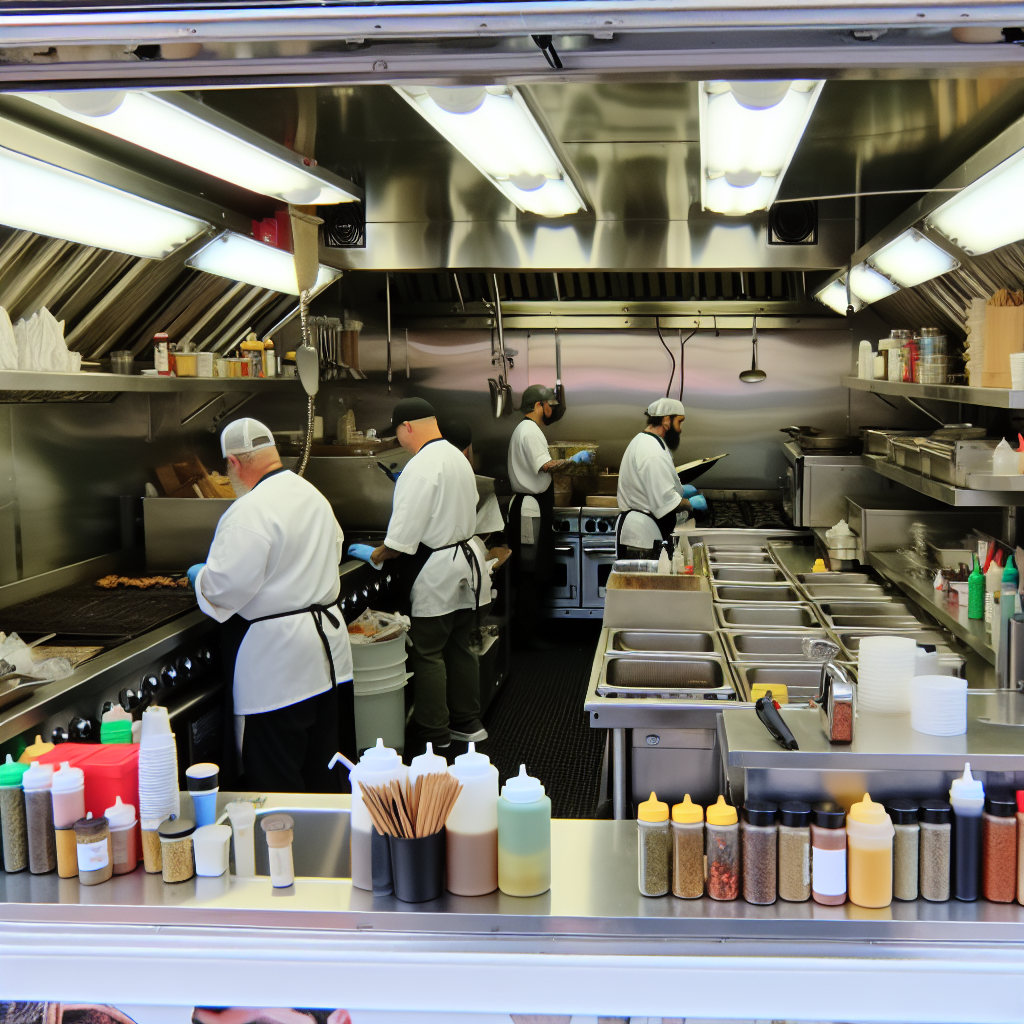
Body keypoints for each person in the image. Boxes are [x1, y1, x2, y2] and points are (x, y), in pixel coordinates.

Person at [187, 418, 355, 793]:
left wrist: (199, 577)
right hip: (327, 654)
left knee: (275, 780)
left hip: (277, 668)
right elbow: (335, 546)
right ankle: (329, 849)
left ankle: (282, 851)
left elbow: (222, 590)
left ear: (233, 463)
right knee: (324, 770)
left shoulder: (248, 512)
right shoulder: (313, 495)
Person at [361, 398, 490, 754]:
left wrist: (373, 553)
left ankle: (435, 734)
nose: (400, 440)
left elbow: (400, 541)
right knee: (461, 646)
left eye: (398, 433)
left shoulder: (418, 468)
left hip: (436, 572)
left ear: (408, 427)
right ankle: (468, 723)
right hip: (465, 564)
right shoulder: (456, 456)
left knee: (428, 651)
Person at [507, 384, 592, 649]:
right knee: (529, 573)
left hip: (533, 506)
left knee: (533, 571)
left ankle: (528, 633)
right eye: (549, 406)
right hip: (529, 510)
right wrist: (574, 459)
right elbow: (545, 466)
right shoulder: (530, 431)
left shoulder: (527, 430)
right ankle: (525, 638)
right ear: (538, 406)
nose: (551, 410)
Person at [615, 398, 707, 558]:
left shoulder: (648, 441)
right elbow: (665, 502)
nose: (680, 429)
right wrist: (691, 504)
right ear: (666, 420)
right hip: (641, 537)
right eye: (679, 422)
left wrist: (680, 490)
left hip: (642, 531)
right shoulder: (652, 452)